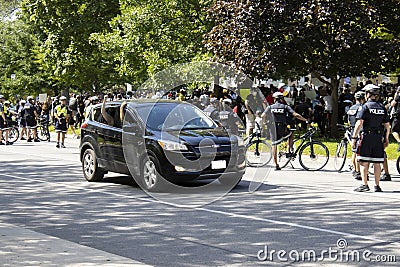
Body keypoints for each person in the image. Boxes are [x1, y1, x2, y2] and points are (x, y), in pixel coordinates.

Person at [352, 84, 390, 192]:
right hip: (378, 137)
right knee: (377, 162)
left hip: (367, 136)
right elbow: (387, 125)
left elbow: (359, 123)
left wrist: (354, 138)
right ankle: (377, 185)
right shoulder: (382, 107)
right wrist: (386, 138)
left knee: (364, 161)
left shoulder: (365, 107)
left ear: (368, 94)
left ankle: (365, 184)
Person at [262, 92, 308, 170]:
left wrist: (264, 123)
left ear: (274, 99)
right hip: (282, 128)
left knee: (274, 144)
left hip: (272, 128)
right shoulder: (285, 107)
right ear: (281, 99)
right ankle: (288, 150)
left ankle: (276, 164)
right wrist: (305, 119)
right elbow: (296, 115)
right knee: (291, 133)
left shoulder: (270, 107)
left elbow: (263, 115)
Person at [347, 91, 365, 180]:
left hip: (352, 129)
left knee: (354, 151)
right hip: (360, 130)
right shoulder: (362, 108)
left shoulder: (351, 108)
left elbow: (349, 121)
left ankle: (355, 169)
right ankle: (358, 171)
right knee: (359, 152)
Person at [389, 86, 400, 151]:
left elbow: (393, 104)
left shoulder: (398, 96)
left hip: (398, 116)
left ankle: (399, 142)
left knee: (394, 130)